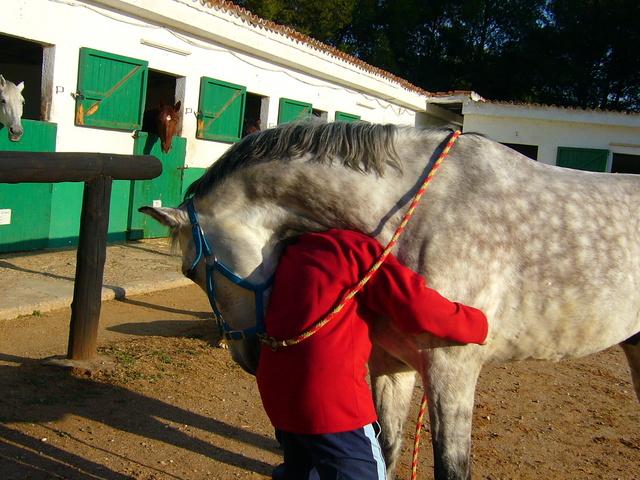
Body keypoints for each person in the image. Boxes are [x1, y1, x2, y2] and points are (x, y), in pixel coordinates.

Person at [256, 229, 488, 480]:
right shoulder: (354, 249)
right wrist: (478, 325)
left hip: (280, 397)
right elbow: (414, 306)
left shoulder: (294, 249)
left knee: (301, 468)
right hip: (331, 407)